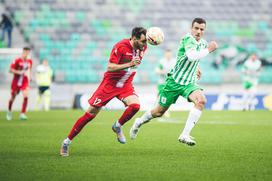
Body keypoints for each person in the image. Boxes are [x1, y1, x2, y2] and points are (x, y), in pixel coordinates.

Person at [60, 27, 147, 156]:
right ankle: (66, 142)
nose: (145, 45)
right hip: (109, 85)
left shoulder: (143, 47)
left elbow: (147, 44)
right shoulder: (120, 46)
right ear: (134, 39)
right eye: (143, 41)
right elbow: (110, 67)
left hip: (126, 84)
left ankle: (117, 126)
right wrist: (129, 64)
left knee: (135, 106)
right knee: (90, 115)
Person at [130, 18, 218, 146]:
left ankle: (185, 135)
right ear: (191, 28)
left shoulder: (203, 43)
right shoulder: (188, 39)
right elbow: (191, 55)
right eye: (196, 28)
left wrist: (197, 68)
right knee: (159, 112)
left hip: (189, 83)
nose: (198, 31)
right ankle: (139, 121)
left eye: (201, 29)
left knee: (201, 100)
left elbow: (193, 58)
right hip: (174, 82)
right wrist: (210, 49)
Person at [6, 47, 33, 121]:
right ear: (23, 52)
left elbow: (30, 69)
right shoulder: (17, 60)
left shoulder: (29, 61)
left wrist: (30, 76)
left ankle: (22, 114)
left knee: (26, 95)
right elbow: (10, 70)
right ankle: (9, 111)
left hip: (24, 81)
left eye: (28, 52)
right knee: (13, 97)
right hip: (16, 81)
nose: (26, 54)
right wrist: (19, 72)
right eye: (25, 52)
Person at [155, 49, 176, 118]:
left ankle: (164, 109)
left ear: (171, 54)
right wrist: (164, 72)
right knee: (160, 96)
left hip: (170, 82)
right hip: (162, 82)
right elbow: (157, 71)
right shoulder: (162, 61)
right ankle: (159, 109)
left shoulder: (174, 61)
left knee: (168, 97)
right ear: (165, 54)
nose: (168, 55)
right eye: (167, 54)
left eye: (169, 54)